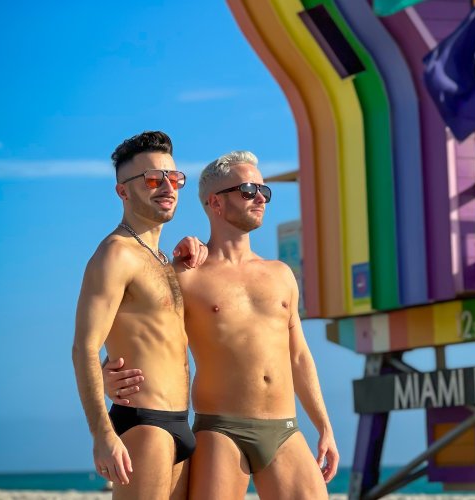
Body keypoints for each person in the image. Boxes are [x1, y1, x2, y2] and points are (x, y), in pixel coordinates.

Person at [104, 150, 339, 499]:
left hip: (285, 429)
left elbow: (300, 356)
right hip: (220, 430)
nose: (260, 197)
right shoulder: (185, 275)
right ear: (215, 202)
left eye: (264, 190)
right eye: (248, 190)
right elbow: (141, 331)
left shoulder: (281, 275)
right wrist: (108, 371)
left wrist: (324, 427)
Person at [72, 131, 207, 500]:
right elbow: (84, 347)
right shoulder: (115, 255)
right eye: (152, 178)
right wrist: (102, 436)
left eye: (174, 177)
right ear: (123, 192)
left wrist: (197, 251)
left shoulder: (165, 260)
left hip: (181, 422)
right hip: (144, 424)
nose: (167, 186)